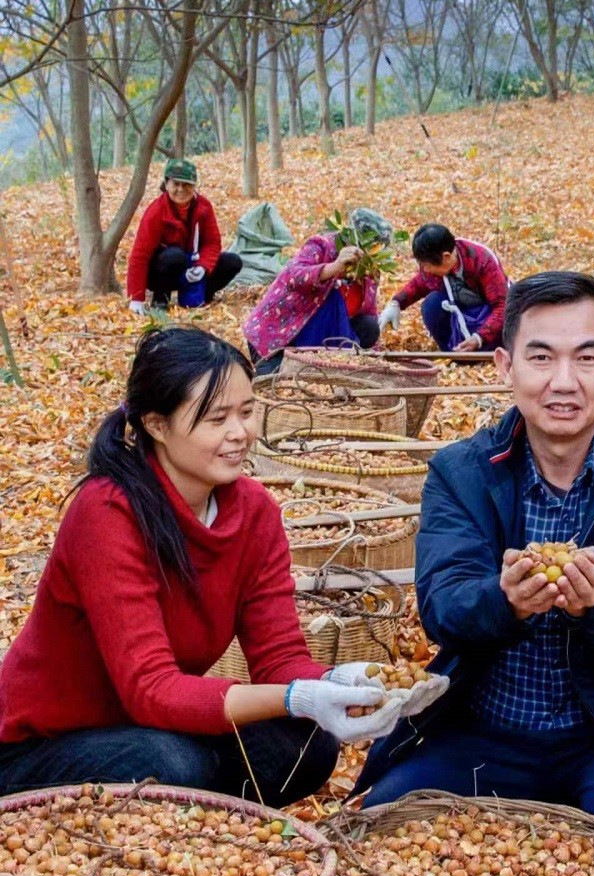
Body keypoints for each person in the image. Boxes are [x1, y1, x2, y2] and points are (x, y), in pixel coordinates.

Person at [0, 327, 415, 805]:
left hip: (154, 724)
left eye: (246, 412)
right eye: (217, 419)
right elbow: (150, 689)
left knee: (303, 746)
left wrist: (337, 683)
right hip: (46, 742)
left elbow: (279, 658)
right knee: (174, 765)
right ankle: (184, 805)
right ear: (157, 426)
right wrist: (294, 697)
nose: (239, 434)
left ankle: (200, 815)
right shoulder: (107, 512)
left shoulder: (254, 512)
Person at [357, 272, 594, 831]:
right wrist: (505, 601)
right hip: (483, 725)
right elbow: (443, 607)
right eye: (541, 358)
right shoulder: (461, 473)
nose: (564, 382)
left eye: (586, 358)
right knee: (389, 818)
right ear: (505, 366)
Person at [243, 208, 392, 375]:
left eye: (377, 248)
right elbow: (293, 276)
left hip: (328, 334)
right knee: (281, 381)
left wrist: (376, 358)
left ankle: (328, 360)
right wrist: (335, 267)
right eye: (371, 246)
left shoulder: (368, 271)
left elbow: (369, 311)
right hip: (283, 336)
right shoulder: (322, 246)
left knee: (369, 326)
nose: (370, 252)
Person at [126, 160, 243, 314]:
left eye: (186, 184)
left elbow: (212, 243)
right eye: (176, 184)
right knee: (175, 255)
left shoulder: (204, 206)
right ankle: (161, 300)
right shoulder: (156, 211)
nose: (180, 190)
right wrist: (136, 297)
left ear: (194, 186)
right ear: (166, 184)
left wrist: (203, 267)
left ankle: (203, 294)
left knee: (232, 262)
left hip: (193, 263)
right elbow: (140, 255)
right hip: (162, 270)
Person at [379, 223, 509, 354]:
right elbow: (419, 284)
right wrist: (396, 303)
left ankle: (486, 349)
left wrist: (480, 338)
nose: (425, 269)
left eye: (427, 265)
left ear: (446, 257)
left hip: (488, 318)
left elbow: (502, 306)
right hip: (461, 313)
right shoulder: (435, 264)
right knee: (432, 304)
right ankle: (452, 352)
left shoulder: (481, 260)